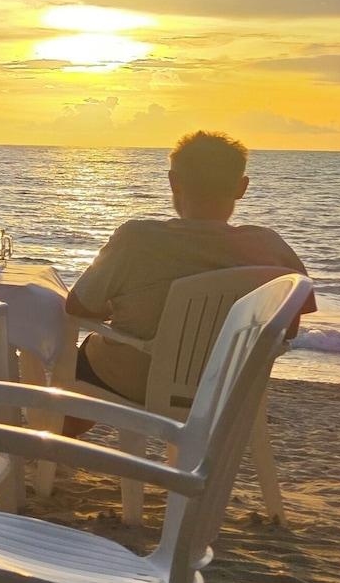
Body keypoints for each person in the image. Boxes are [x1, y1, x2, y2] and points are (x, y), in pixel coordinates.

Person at [69, 130, 313, 404]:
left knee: (80, 360)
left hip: (138, 382)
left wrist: (119, 308)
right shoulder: (270, 246)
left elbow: (78, 307)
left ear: (174, 182)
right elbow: (288, 329)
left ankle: (58, 441)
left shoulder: (137, 239)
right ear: (242, 187)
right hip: (226, 391)